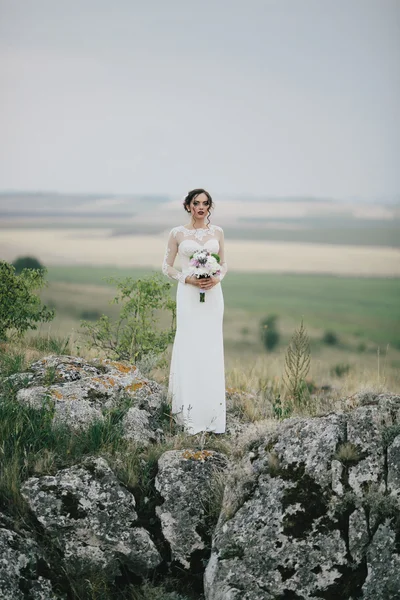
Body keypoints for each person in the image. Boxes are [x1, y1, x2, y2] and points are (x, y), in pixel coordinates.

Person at [161, 189, 228, 435]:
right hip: (189, 294)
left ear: (209, 207)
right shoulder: (177, 233)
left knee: (210, 346)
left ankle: (211, 415)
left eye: (205, 203)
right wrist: (186, 279)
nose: (201, 207)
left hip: (212, 294)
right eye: (196, 203)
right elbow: (165, 266)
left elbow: (224, 262)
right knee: (190, 344)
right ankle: (187, 413)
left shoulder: (217, 232)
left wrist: (217, 277)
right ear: (188, 206)